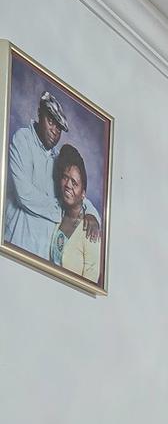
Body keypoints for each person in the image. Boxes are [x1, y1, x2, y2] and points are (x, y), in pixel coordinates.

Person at [4, 91, 99, 262]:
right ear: (40, 114)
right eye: (51, 122)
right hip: (16, 243)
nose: (55, 131)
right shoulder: (23, 140)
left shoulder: (58, 160)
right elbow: (24, 195)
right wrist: (63, 211)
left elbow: (75, 192)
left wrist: (91, 213)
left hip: (42, 255)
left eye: (59, 128)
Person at [50, 144, 100, 283]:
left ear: (83, 193)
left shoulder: (90, 229)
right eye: (65, 178)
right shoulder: (58, 214)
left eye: (74, 182)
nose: (68, 185)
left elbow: (92, 275)